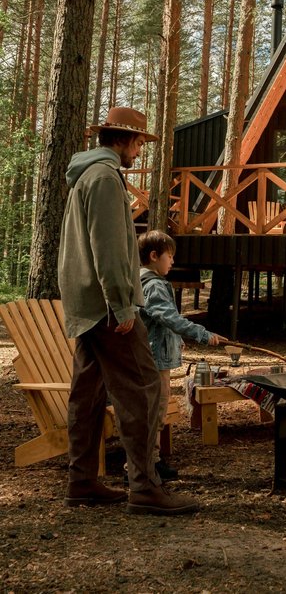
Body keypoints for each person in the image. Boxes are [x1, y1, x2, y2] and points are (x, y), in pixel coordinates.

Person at [58, 106, 199, 515]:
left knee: (86, 395)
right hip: (106, 305)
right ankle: (145, 487)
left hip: (88, 303)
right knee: (143, 389)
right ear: (124, 139)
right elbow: (109, 249)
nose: (140, 150)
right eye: (139, 142)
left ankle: (81, 481)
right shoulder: (103, 178)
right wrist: (121, 305)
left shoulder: (87, 175)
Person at [138, 229, 226, 480]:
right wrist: (201, 333)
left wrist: (176, 340)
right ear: (154, 256)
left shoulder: (147, 282)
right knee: (153, 412)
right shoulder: (153, 285)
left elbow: (159, 322)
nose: (173, 261)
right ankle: (144, 466)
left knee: (157, 410)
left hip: (155, 356)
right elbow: (169, 317)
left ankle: (151, 461)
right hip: (152, 361)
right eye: (170, 256)